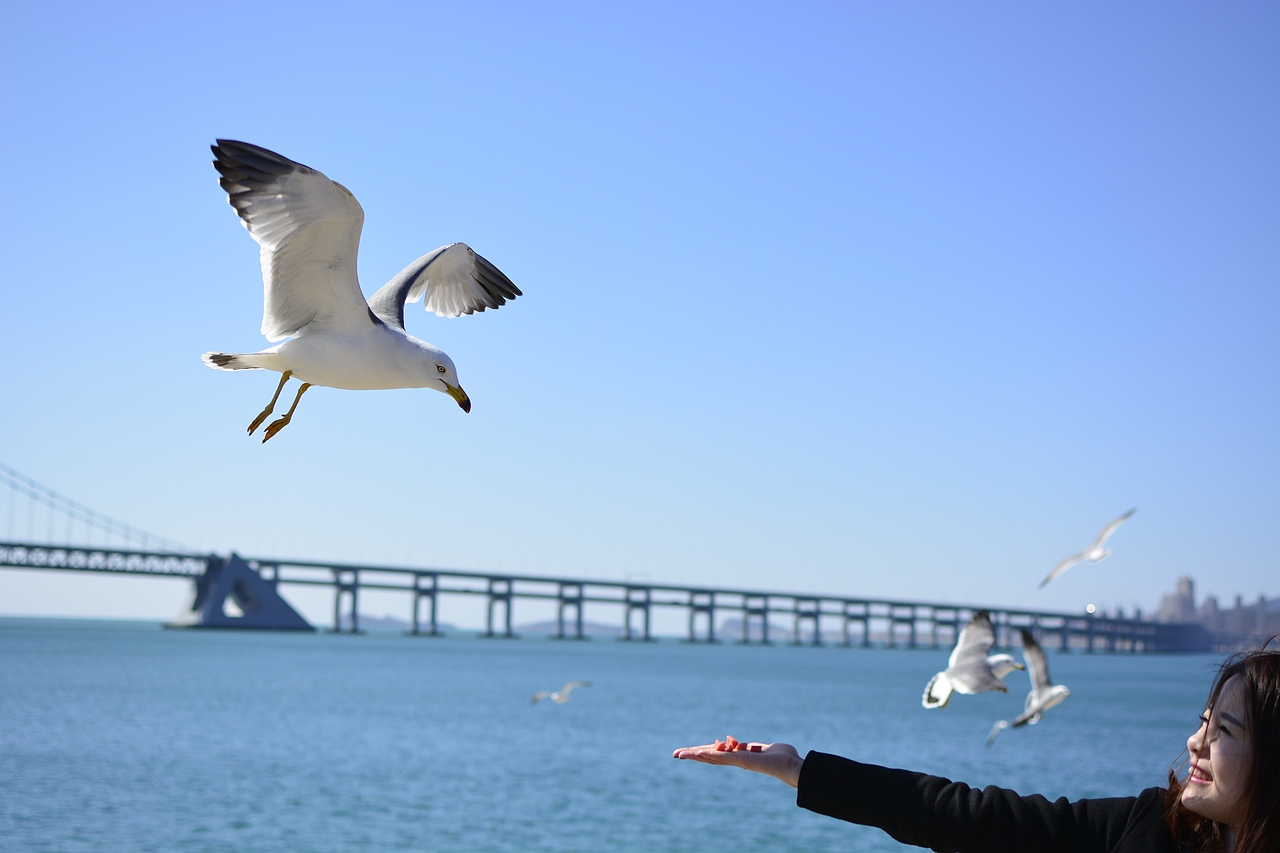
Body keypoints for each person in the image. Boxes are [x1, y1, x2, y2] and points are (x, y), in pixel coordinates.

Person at [674, 641, 1280, 853]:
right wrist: (800, 769)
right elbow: (966, 815)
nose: (1194, 742)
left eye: (1224, 732)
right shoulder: (1153, 826)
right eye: (1202, 721)